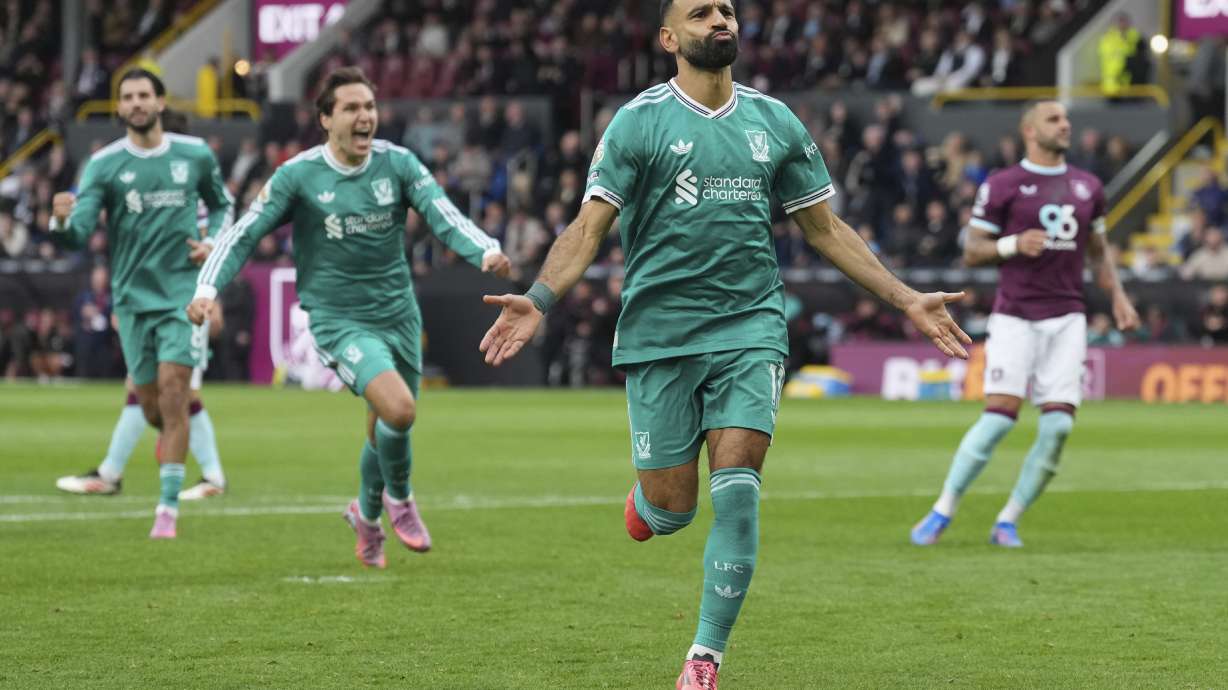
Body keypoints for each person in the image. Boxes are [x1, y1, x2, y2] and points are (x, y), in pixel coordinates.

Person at [477, 2, 970, 687]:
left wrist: (907, 297)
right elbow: (589, 229)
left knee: (738, 491)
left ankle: (703, 658)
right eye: (701, 12)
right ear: (668, 38)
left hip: (750, 327)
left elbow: (825, 229)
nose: (719, 20)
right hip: (659, 333)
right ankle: (651, 505)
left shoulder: (775, 122)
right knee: (673, 511)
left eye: (727, 11)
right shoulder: (639, 121)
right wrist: (538, 298)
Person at [188, 67, 510, 568]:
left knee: (385, 424)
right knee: (399, 410)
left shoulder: (397, 164)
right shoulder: (298, 175)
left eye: (370, 107)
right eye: (352, 108)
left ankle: (364, 514)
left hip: (398, 314)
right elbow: (245, 234)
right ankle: (398, 500)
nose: (365, 117)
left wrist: (484, 250)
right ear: (325, 119)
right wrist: (207, 288)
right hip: (339, 320)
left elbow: (441, 211)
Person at [911, 100, 1139, 549]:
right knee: (999, 419)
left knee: (1058, 428)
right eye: (1054, 119)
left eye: (1066, 118)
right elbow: (973, 250)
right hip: (1015, 315)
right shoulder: (1003, 184)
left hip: (1067, 317)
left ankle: (1008, 519)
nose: (1065, 124)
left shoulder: (1089, 186)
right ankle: (943, 509)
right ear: (1030, 129)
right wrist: (1013, 243)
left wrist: (1118, 297)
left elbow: (1098, 252)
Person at [49, 68, 234, 539]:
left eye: (143, 95)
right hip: (131, 300)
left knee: (175, 393)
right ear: (118, 107)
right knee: (152, 407)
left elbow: (223, 203)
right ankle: (187, 466)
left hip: (182, 297)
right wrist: (61, 220)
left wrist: (214, 240)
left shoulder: (193, 155)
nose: (135, 102)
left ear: (159, 101)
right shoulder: (104, 165)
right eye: (126, 96)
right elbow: (79, 231)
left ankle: (166, 510)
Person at [55, 302, 228, 500]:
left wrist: (212, 300)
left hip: (184, 312)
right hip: (152, 308)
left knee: (184, 391)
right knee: (141, 385)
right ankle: (110, 472)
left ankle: (110, 473)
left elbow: (201, 273)